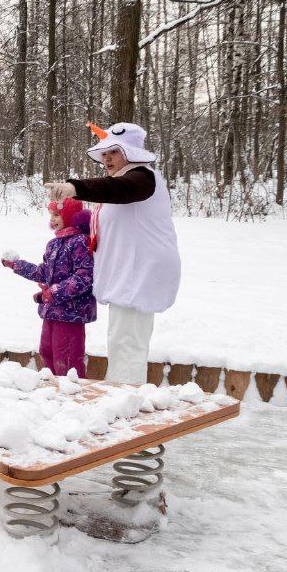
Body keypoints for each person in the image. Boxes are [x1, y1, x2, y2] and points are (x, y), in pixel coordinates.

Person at [45, 122, 180, 384]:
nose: (106, 158)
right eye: (104, 154)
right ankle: (121, 393)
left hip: (141, 270)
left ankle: (124, 397)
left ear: (130, 153)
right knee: (121, 337)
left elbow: (119, 190)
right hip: (128, 269)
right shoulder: (124, 179)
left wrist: (76, 188)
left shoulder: (141, 177)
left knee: (128, 341)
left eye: (113, 152)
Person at [2, 199, 96, 377]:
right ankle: (54, 392)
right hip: (52, 310)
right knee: (47, 352)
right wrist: (16, 265)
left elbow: (85, 276)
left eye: (57, 214)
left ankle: (72, 396)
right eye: (51, 215)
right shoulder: (54, 244)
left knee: (67, 358)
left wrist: (53, 293)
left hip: (71, 313)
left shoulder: (80, 242)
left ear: (70, 216)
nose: (52, 219)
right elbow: (44, 273)